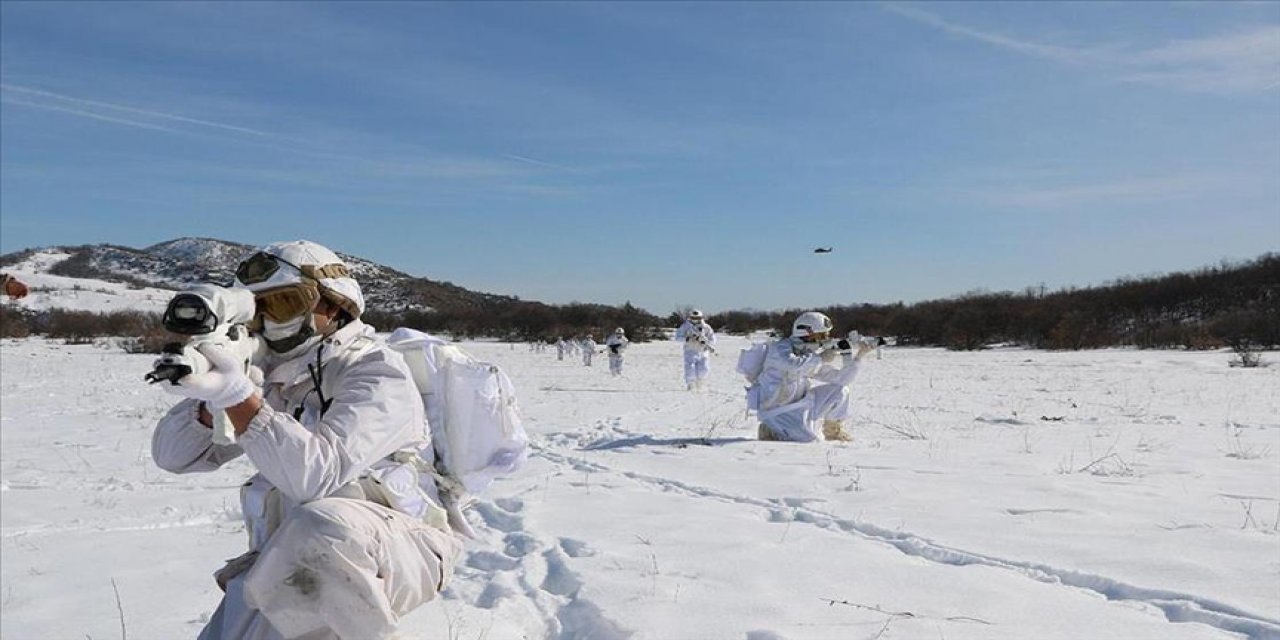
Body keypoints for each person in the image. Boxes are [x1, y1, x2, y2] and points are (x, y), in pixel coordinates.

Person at [151, 240, 463, 640]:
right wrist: (211, 398)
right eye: (259, 309)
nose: (269, 320)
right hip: (294, 554)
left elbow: (315, 477)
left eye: (284, 304)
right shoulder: (273, 374)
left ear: (334, 305)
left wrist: (238, 398)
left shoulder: (377, 371)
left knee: (324, 529)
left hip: (401, 546)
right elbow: (171, 455)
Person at [754, 311, 874, 443]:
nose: (825, 340)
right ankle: (769, 429)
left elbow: (841, 379)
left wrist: (859, 357)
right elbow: (793, 364)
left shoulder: (808, 355)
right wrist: (820, 358)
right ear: (807, 333)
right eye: (822, 335)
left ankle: (832, 432)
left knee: (840, 391)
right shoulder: (779, 349)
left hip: (800, 404)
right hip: (777, 412)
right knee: (810, 440)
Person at [674, 309, 716, 390]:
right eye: (693, 317)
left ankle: (700, 383)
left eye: (697, 318)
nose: (695, 319)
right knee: (690, 368)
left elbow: (712, 338)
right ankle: (691, 384)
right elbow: (677, 337)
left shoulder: (706, 327)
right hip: (690, 351)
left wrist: (706, 342)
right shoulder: (685, 326)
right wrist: (687, 339)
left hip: (703, 352)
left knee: (704, 368)